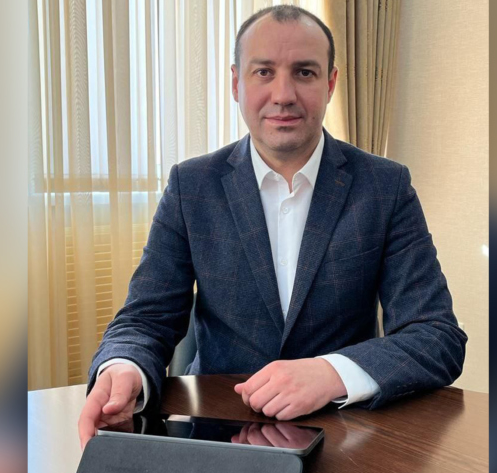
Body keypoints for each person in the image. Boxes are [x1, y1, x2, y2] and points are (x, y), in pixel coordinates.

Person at [78, 5, 467, 450]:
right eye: (264, 72)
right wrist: (123, 367)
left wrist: (331, 372)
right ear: (236, 83)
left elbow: (436, 336)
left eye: (304, 72)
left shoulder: (385, 186)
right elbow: (145, 318)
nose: (283, 95)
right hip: (220, 436)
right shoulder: (192, 186)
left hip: (348, 438)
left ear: (330, 83)